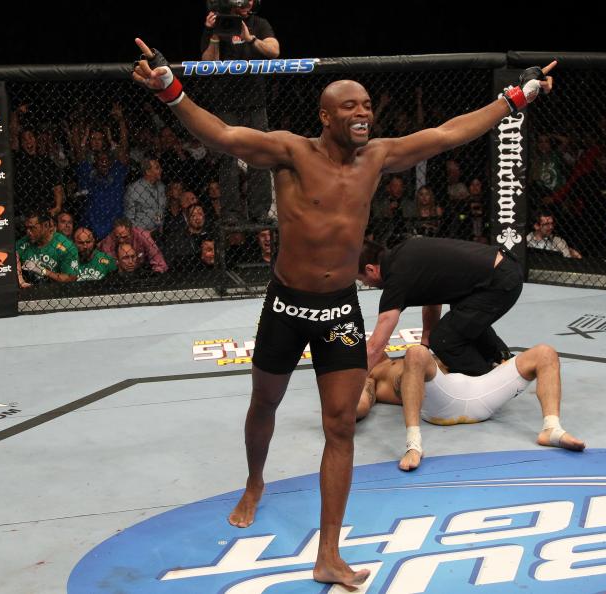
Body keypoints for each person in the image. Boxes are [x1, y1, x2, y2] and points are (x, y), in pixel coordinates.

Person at [132, 38, 553, 588]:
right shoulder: (290, 151)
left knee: (340, 427)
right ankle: (255, 481)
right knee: (266, 401)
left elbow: (450, 132)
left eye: (367, 106)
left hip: (338, 309)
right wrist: (170, 87)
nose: (363, 113)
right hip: (285, 302)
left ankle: (328, 552)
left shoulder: (377, 155)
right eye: (350, 106)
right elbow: (221, 135)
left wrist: (515, 97)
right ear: (325, 115)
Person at [357, 344, 585, 471]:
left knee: (545, 353)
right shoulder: (371, 379)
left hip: (478, 392)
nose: (369, 349)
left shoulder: (394, 358)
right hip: (442, 405)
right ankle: (413, 444)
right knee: (415, 352)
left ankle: (551, 428)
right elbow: (359, 407)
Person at [359, 237, 522, 375]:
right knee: (460, 321)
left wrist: (352, 389)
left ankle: (489, 384)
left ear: (371, 269)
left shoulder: (396, 279)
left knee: (445, 339)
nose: (365, 284)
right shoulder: (403, 253)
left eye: (361, 279)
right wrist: (424, 345)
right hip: (502, 269)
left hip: (499, 282)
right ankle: (501, 358)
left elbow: (375, 346)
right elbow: (433, 296)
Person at [201, 2, 279, 225]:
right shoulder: (216, 25)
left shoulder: (258, 24)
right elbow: (208, 63)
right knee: (228, 159)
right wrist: (214, 34)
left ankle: (260, 212)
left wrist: (251, 39)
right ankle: (231, 214)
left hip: (254, 101)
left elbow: (274, 51)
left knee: (260, 154)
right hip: (226, 103)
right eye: (243, 4)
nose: (248, 7)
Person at [16, 210, 79, 284]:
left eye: (32, 228)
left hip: (57, 291)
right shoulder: (24, 241)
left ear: (45, 225)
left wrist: (43, 271)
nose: (28, 232)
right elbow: (12, 257)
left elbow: (71, 277)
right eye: (26, 228)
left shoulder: (66, 246)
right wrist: (20, 279)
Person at [99, 216, 169, 273]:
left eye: (124, 237)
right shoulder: (109, 240)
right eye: (117, 237)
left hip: (142, 267)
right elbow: (110, 264)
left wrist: (156, 273)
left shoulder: (143, 236)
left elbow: (158, 259)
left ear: (131, 232)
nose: (121, 240)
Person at [124, 157, 166, 233]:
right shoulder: (134, 189)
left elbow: (161, 210)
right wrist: (141, 235)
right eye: (157, 168)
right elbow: (129, 219)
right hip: (141, 235)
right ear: (148, 171)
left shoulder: (161, 187)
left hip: (159, 233)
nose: (161, 170)